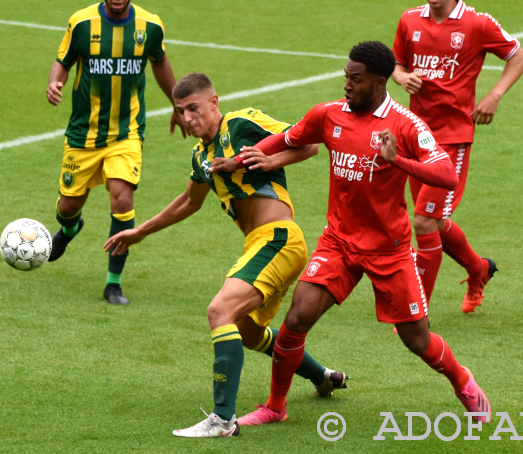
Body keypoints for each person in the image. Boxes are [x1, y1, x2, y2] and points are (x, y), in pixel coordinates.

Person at [213, 41, 491, 425]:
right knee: (297, 320)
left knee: (417, 339)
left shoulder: (404, 124)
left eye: (355, 79)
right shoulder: (328, 115)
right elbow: (289, 138)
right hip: (339, 243)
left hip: (389, 250)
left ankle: (462, 380)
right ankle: (275, 407)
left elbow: (446, 174)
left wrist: (399, 160)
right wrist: (243, 158)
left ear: (379, 83)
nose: (346, 85)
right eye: (346, 76)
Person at [104, 73, 348, 438]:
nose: (187, 118)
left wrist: (262, 161)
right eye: (181, 111)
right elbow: (189, 201)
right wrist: (140, 231)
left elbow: (310, 144)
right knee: (248, 332)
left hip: (278, 238)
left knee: (220, 311)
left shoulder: (241, 124)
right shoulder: (201, 153)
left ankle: (222, 420)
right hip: (260, 245)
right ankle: (323, 377)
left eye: (193, 108)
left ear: (214, 102)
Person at [391, 0, 523, 312]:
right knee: (430, 219)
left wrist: (494, 95)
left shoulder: (477, 24)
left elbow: (518, 56)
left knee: (423, 222)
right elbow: (396, 64)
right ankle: (478, 269)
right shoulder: (410, 20)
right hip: (415, 136)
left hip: (452, 139)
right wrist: (401, 78)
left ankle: (415, 310)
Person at [45, 0, 186, 305]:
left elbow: (160, 62)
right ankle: (69, 228)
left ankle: (113, 281)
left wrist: (177, 105)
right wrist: (55, 82)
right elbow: (62, 62)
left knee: (122, 198)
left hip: (126, 133)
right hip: (83, 134)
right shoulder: (81, 23)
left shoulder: (149, 27)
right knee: (68, 205)